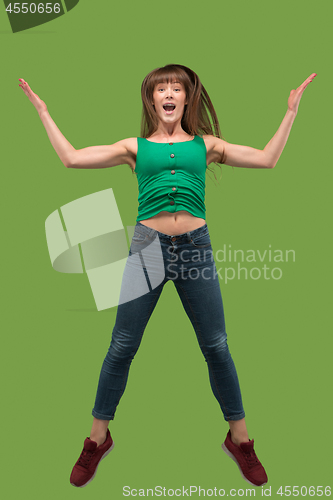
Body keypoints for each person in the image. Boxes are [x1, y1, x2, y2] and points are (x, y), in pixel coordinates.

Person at [19, 65, 316, 489]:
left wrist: (291, 111)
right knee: (122, 344)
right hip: (148, 250)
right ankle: (97, 440)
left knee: (216, 344)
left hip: (195, 247)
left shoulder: (206, 145)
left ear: (187, 98)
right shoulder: (134, 147)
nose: (170, 93)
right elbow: (71, 158)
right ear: (152, 100)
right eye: (162, 88)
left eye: (178, 87)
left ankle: (241, 440)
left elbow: (268, 159)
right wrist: (44, 111)